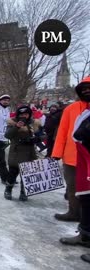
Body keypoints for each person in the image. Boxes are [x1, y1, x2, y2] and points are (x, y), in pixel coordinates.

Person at [58, 76, 90, 264]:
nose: (86, 91)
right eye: (83, 88)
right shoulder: (77, 110)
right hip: (81, 159)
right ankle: (85, 234)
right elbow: (67, 132)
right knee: (85, 198)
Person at [52, 77, 90, 222]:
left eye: (89, 88)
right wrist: (56, 153)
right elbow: (62, 132)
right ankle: (73, 212)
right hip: (71, 157)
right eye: (83, 89)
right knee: (72, 187)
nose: (86, 91)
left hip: (88, 158)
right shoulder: (70, 109)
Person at [3, 105, 44, 201]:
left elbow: (43, 135)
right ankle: (8, 190)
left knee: (26, 175)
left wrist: (36, 139)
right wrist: (17, 126)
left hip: (30, 153)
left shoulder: (34, 123)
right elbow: (7, 135)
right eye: (21, 114)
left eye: (26, 114)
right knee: (12, 173)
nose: (24, 116)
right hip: (16, 152)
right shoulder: (13, 122)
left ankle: (23, 192)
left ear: (29, 114)